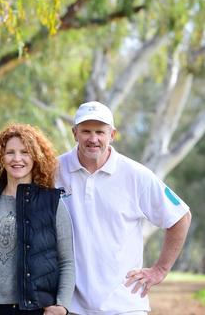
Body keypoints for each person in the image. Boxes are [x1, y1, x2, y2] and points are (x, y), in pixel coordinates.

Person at [56, 101, 192, 315]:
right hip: (70, 306)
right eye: (86, 131)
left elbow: (180, 217)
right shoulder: (54, 170)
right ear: (75, 133)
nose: (93, 139)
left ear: (112, 135)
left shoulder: (136, 175)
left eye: (100, 132)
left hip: (125, 305)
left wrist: (160, 270)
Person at [0, 123, 75, 315]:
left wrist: (61, 306)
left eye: (25, 152)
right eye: (10, 152)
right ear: (0, 157)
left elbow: (67, 261)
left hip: (37, 309)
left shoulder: (52, 203)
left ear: (36, 157)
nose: (17, 159)